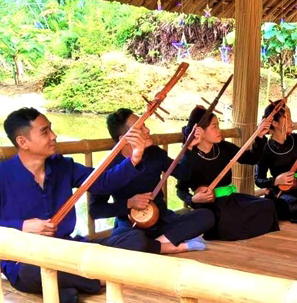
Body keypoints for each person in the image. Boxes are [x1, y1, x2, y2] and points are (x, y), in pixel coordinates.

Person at [0, 107, 158, 303]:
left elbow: (104, 182)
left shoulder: (61, 166)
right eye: (45, 132)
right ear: (23, 142)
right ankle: (99, 280)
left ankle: (68, 286)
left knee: (134, 239)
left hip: (67, 249)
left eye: (51, 129)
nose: (53, 136)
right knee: (31, 272)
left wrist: (135, 158)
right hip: (25, 258)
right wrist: (22, 226)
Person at [88, 108, 215, 253]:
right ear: (125, 138)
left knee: (206, 216)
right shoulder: (109, 166)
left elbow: (183, 174)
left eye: (145, 125)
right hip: (131, 225)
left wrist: (190, 147)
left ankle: (154, 245)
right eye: (140, 128)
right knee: (128, 238)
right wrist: (129, 204)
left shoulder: (155, 153)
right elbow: (95, 210)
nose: (147, 130)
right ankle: (173, 246)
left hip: (163, 220)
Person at [175, 105, 279, 240]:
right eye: (214, 126)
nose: (219, 130)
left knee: (267, 205)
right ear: (200, 131)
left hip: (230, 199)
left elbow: (251, 159)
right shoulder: (189, 157)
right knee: (226, 220)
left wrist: (260, 136)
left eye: (218, 125)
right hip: (210, 205)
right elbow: (180, 189)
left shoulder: (223, 147)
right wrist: (192, 199)